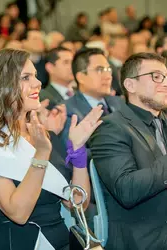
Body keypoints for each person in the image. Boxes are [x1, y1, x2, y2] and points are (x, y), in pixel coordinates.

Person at [0, 49, 103, 250]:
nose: (38, 83)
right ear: (2, 86)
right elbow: (18, 213)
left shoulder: (43, 135)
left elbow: (77, 203)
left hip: (62, 242)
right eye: (26, 77)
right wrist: (40, 155)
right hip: (18, 243)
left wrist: (78, 151)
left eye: (35, 77)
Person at [90, 52, 167, 249]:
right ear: (130, 85)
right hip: (145, 240)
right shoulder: (111, 128)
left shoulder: (164, 121)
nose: (165, 83)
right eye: (156, 77)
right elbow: (127, 189)